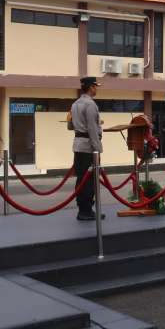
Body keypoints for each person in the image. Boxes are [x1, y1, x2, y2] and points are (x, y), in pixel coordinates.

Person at [70, 76, 104, 221]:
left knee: (81, 179)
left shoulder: (75, 104)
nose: (96, 89)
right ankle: (86, 211)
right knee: (89, 180)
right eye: (95, 86)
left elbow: (70, 126)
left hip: (78, 145)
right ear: (91, 87)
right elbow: (91, 128)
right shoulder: (90, 105)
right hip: (88, 147)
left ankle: (83, 209)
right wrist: (98, 150)